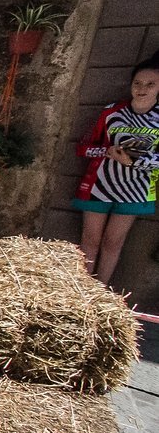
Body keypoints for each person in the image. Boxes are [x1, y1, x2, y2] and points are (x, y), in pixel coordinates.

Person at [72, 57, 159, 285]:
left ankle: (99, 291)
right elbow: (83, 147)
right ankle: (81, 289)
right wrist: (106, 151)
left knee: (113, 242)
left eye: (151, 84)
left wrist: (133, 162)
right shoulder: (111, 112)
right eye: (138, 83)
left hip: (136, 191)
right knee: (90, 239)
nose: (142, 89)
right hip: (99, 186)